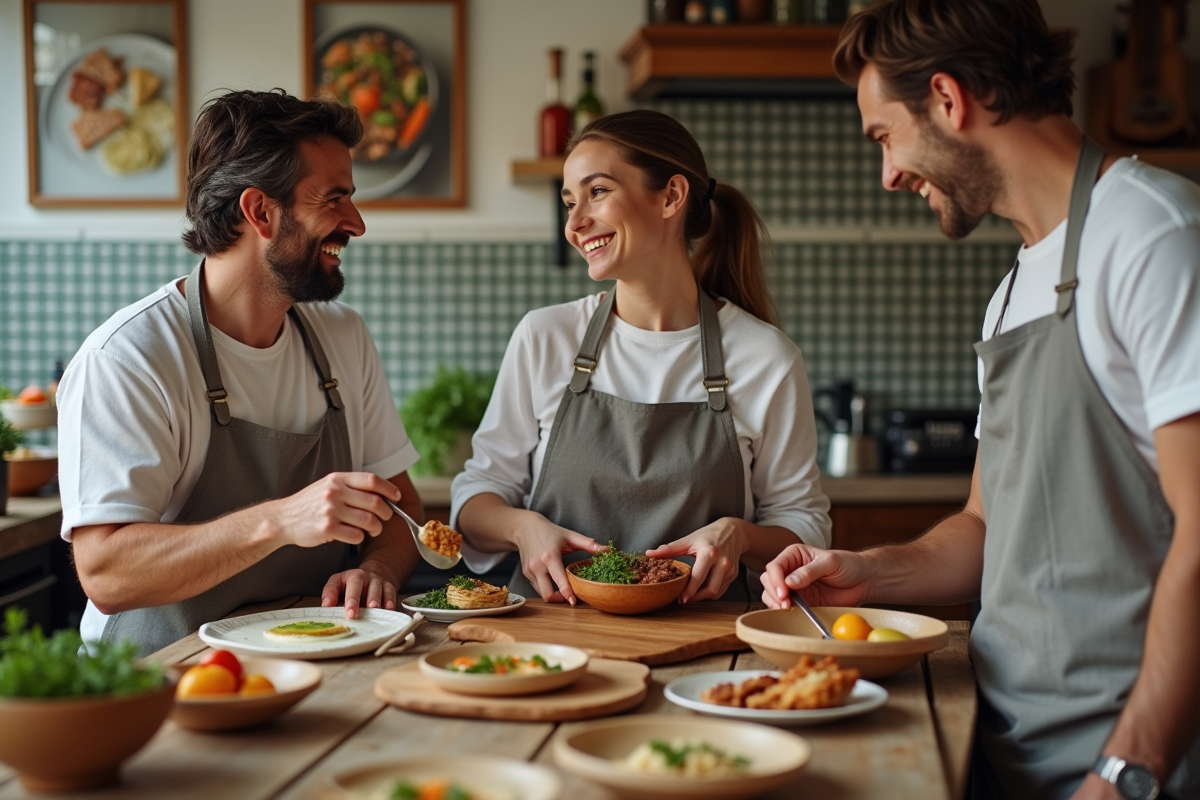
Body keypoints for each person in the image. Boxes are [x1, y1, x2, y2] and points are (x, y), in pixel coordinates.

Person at [758, 3, 1200, 799]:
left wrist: (1127, 768)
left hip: (1121, 764)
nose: (889, 174)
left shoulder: (1156, 238)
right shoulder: (1010, 293)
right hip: (998, 749)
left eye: (884, 138)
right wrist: (865, 572)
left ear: (949, 99)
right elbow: (984, 526)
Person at [58, 90, 425, 656]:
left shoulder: (343, 338)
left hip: (311, 662)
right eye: (334, 199)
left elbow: (401, 507)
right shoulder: (130, 358)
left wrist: (378, 567)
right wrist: (280, 521)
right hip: (157, 682)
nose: (356, 223)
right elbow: (108, 574)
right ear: (260, 212)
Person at [451, 110, 831, 605]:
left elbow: (805, 526)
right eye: (569, 202)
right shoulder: (544, 337)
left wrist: (741, 534)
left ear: (671, 196)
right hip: (550, 643)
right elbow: (476, 497)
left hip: (705, 646)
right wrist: (523, 528)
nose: (575, 222)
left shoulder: (766, 359)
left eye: (598, 192)